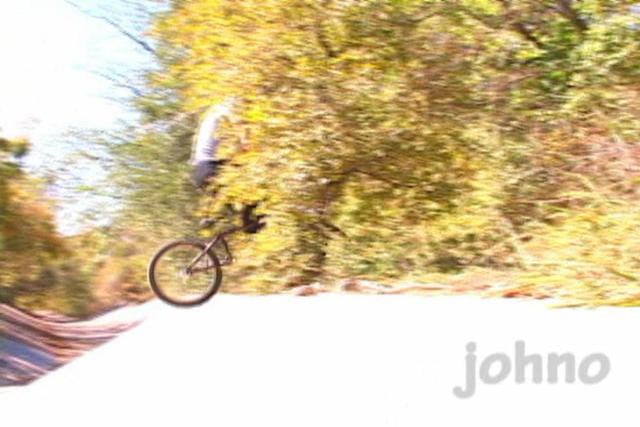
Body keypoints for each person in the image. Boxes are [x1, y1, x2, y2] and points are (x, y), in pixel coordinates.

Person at [190, 97, 264, 233]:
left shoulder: (213, 114)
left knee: (241, 209)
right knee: (256, 189)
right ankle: (250, 223)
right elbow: (244, 141)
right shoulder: (225, 113)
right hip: (211, 169)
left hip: (200, 172)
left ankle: (214, 220)